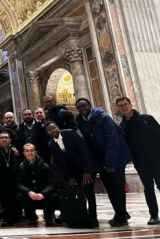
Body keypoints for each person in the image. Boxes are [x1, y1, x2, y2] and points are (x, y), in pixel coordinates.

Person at [75, 97, 133, 226]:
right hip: (100, 160)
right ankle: (121, 212)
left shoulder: (103, 117)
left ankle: (121, 216)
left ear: (90, 105)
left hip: (115, 158)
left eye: (84, 106)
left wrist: (110, 162)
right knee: (109, 187)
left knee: (117, 188)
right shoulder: (80, 119)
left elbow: (113, 140)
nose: (82, 109)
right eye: (79, 107)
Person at [45, 122, 99, 228]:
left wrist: (87, 171)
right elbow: (60, 163)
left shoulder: (70, 133)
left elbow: (85, 152)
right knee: (78, 192)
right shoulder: (51, 144)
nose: (52, 131)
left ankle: (93, 216)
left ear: (58, 127)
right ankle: (81, 216)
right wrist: (69, 178)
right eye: (49, 130)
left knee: (88, 191)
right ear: (47, 133)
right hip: (73, 172)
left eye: (54, 128)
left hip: (85, 167)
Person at [119, 96, 160, 225]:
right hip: (141, 163)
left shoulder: (146, 119)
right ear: (119, 109)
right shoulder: (122, 126)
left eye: (126, 104)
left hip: (156, 159)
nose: (124, 107)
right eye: (121, 106)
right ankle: (154, 215)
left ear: (131, 105)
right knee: (148, 188)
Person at [15, 144, 59, 225]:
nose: (30, 153)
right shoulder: (20, 167)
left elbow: (52, 183)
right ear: (24, 153)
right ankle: (31, 215)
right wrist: (29, 192)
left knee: (55, 196)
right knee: (19, 196)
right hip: (30, 196)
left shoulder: (45, 166)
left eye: (32, 150)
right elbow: (18, 184)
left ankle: (48, 215)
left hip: (43, 196)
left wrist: (43, 193)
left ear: (36, 152)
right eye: (27, 151)